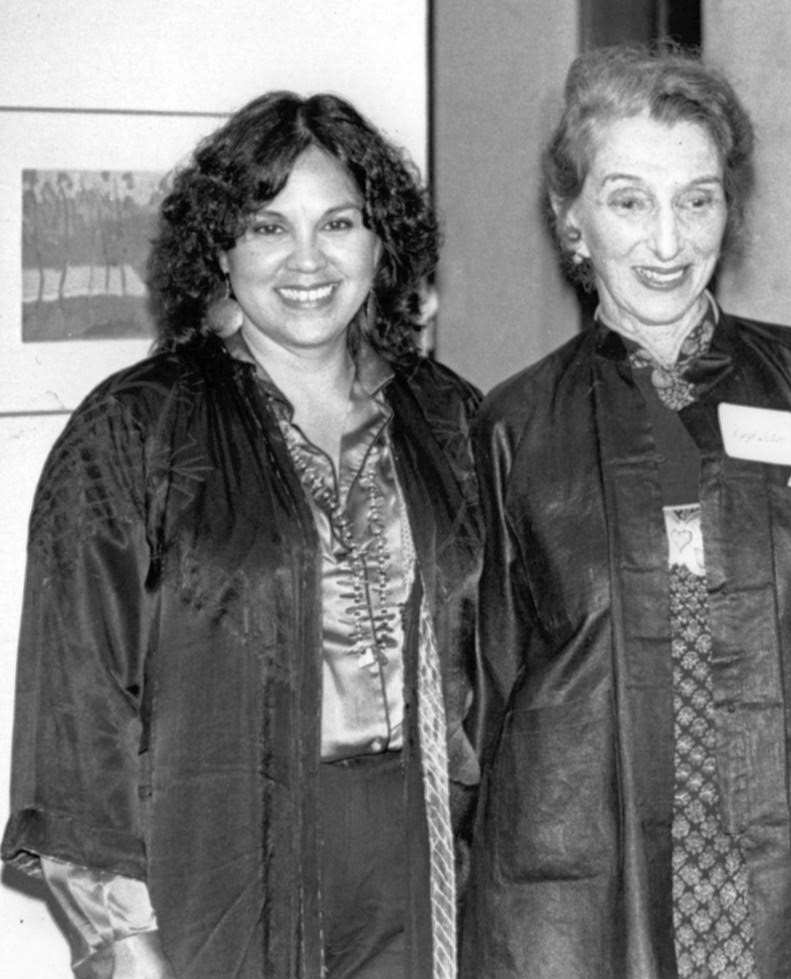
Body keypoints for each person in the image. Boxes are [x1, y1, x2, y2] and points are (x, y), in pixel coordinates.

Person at [460, 45, 791, 979]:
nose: (667, 242)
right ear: (572, 220)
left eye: (697, 200)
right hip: (570, 917)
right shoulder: (512, 429)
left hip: (777, 904)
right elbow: (468, 713)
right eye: (628, 201)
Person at [2, 91, 481, 979]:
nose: (308, 260)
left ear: (381, 242)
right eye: (268, 227)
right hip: (219, 873)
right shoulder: (135, 431)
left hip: (426, 868)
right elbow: (79, 712)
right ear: (221, 248)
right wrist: (125, 941)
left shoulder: (448, 418)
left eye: (338, 222)